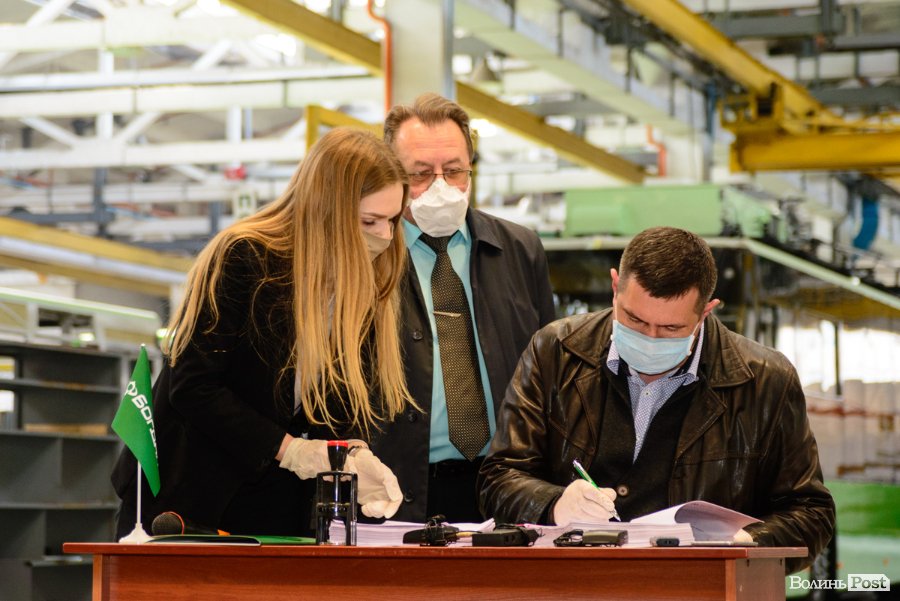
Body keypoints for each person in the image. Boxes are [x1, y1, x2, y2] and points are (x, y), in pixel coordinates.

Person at [112, 128, 414, 538]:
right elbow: (194, 387)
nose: (385, 236)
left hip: (274, 510)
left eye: (393, 220)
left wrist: (352, 453)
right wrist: (290, 450)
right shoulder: (245, 257)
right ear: (326, 210)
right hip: (187, 499)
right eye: (369, 221)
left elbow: (342, 403)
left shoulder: (366, 285)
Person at [478, 226, 834, 573]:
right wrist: (553, 504)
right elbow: (499, 479)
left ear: (706, 312)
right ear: (615, 287)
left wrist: (746, 544)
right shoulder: (555, 352)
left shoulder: (766, 381)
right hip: (571, 584)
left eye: (671, 329)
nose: (650, 338)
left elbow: (811, 514)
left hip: (698, 589)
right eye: (634, 320)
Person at [369, 93, 556, 523]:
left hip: (504, 484)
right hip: (395, 488)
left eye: (454, 171)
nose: (439, 187)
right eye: (420, 174)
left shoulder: (519, 249)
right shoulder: (368, 254)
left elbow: (550, 371)